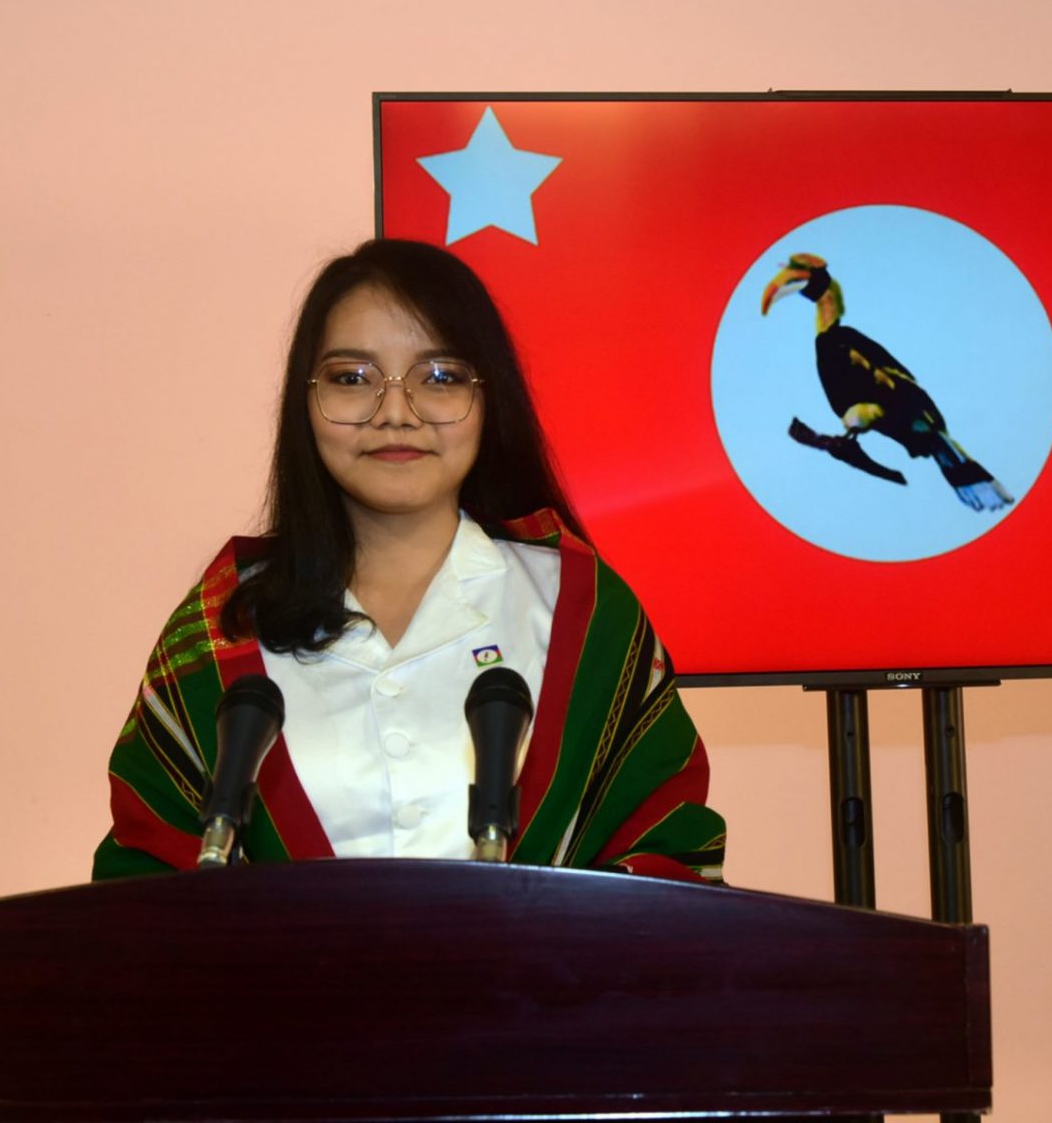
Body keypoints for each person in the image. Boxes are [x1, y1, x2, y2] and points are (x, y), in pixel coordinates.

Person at [93, 239, 725, 882]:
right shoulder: (224, 628)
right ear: (304, 401)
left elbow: (668, 862)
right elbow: (142, 883)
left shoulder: (579, 610)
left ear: (489, 398)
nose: (395, 413)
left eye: (440, 377)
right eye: (352, 379)